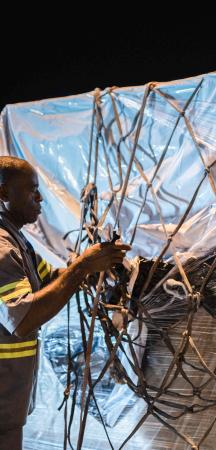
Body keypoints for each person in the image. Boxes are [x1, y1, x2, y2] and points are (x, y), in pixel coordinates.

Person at [0, 156, 131, 450]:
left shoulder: (18, 242)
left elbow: (51, 280)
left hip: (9, 395)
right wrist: (82, 267)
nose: (40, 198)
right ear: (4, 194)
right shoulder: (2, 249)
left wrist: (96, 268)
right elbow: (24, 319)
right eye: (32, 190)